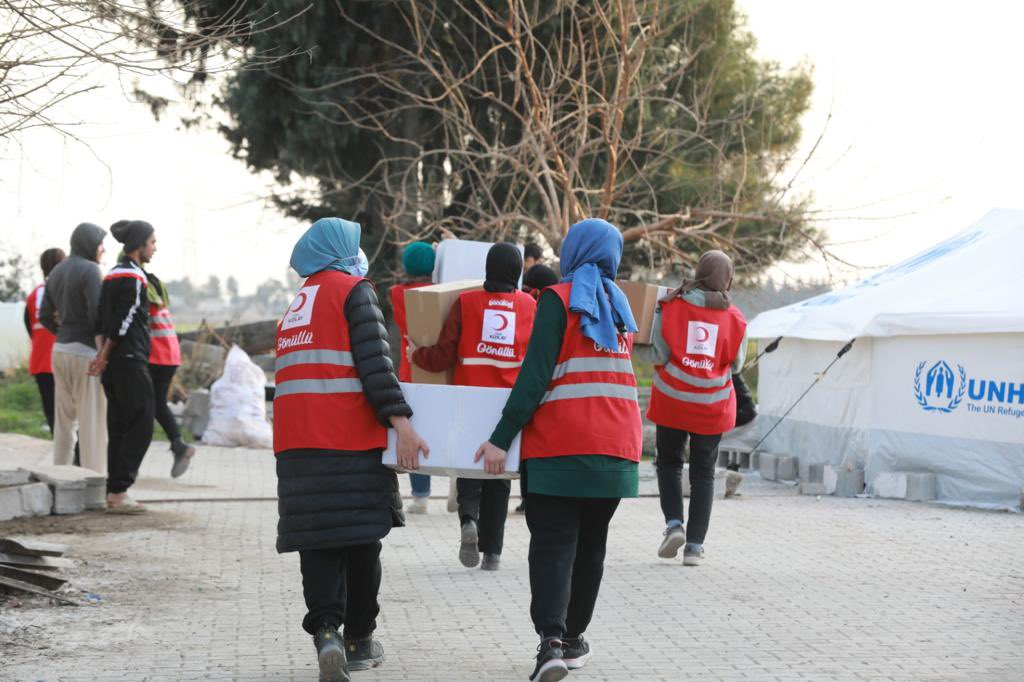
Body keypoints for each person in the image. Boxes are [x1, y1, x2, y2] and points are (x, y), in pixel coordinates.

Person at [474, 219, 642, 681]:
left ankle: (550, 641)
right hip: (616, 451)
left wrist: (500, 438)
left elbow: (534, 378)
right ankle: (573, 640)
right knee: (591, 549)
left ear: (572, 252)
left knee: (552, 547)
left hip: (559, 449)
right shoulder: (621, 307)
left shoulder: (559, 300)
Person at [274, 217, 428, 682]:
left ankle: (326, 633)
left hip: (298, 447)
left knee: (317, 543)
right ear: (341, 250)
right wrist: (402, 423)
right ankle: (359, 640)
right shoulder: (353, 289)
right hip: (349, 441)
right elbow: (375, 365)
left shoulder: (297, 304)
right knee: (362, 541)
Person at [410, 243, 536, 572]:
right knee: (499, 476)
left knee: (469, 467)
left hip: (468, 397)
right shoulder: (528, 306)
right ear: (518, 272)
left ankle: (469, 520)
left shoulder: (466, 303)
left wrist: (415, 354)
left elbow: (443, 354)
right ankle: (492, 552)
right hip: (507, 404)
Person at [647, 250, 748, 566]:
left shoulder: (672, 306)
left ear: (700, 271)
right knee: (704, 473)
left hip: (672, 400)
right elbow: (737, 365)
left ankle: (674, 524)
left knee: (669, 463)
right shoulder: (735, 318)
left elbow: (658, 355)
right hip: (711, 405)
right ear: (727, 278)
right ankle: (694, 547)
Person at [90, 220, 158, 514]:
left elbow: (99, 319)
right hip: (129, 359)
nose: (155, 247)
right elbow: (123, 321)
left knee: (118, 425)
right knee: (143, 423)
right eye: (153, 242)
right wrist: (104, 355)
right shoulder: (134, 277)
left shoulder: (110, 275)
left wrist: (100, 355)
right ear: (140, 245)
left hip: (113, 362)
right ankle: (119, 489)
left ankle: (113, 490)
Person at [39, 223, 108, 474]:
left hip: (60, 351)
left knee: (64, 422)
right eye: (101, 243)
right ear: (90, 243)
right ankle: (94, 483)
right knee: (92, 423)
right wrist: (103, 351)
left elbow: (44, 315)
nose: (103, 250)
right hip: (86, 354)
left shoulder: (57, 271)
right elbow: (96, 316)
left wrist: (63, 333)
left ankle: (61, 477)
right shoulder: (91, 270)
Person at [135, 232, 196, 478]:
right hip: (170, 353)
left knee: (145, 407)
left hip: (156, 354)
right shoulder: (155, 285)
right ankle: (178, 445)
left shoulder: (138, 286)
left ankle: (132, 464)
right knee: (156, 403)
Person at [387, 241, 435, 514]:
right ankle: (459, 483)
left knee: (417, 430)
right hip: (441, 373)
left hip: (411, 372)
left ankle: (420, 497)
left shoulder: (397, 294)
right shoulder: (442, 292)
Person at [24, 248, 66, 434]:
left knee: (52, 412)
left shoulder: (33, 295)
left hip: (41, 361)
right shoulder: (66, 291)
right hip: (65, 357)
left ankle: (62, 455)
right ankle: (77, 456)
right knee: (71, 411)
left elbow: (29, 326)